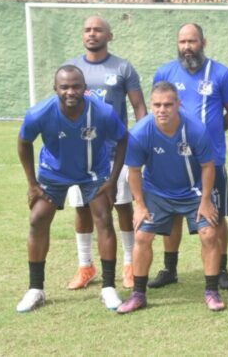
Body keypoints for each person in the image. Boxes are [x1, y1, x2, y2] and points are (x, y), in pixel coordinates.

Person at [16, 65, 127, 312]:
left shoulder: (103, 112)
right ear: (55, 88)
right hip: (54, 173)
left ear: (84, 88)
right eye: (64, 86)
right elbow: (24, 143)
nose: (70, 91)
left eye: (76, 86)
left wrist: (112, 180)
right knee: (37, 219)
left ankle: (108, 287)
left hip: (93, 173)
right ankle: (36, 289)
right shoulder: (39, 113)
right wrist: (32, 184)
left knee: (104, 219)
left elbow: (123, 139)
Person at [117, 82, 224, 314]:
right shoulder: (140, 133)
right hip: (156, 192)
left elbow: (208, 166)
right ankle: (138, 294)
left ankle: (212, 291)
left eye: (168, 104)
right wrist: (139, 205)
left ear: (178, 104)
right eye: (157, 105)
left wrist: (205, 201)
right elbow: (133, 172)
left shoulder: (195, 129)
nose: (162, 109)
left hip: (192, 191)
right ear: (151, 105)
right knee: (143, 236)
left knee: (209, 233)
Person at [147, 23, 228, 290]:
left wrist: (205, 138)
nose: (187, 47)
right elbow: (158, 109)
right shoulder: (165, 72)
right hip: (173, 161)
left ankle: (221, 270)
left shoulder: (221, 74)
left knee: (216, 215)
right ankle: (170, 268)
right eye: (182, 42)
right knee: (172, 213)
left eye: (192, 41)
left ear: (203, 42)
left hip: (211, 160)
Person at [64, 16, 147, 290]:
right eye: (87, 29)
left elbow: (139, 108)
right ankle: (85, 266)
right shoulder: (72, 68)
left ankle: (129, 264)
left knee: (123, 207)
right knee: (82, 210)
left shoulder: (122, 67)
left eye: (98, 30)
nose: (92, 34)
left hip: (115, 154)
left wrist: (139, 143)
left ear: (109, 36)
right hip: (81, 155)